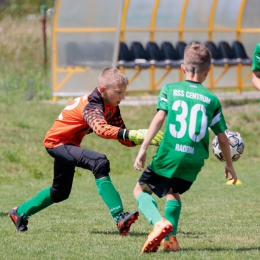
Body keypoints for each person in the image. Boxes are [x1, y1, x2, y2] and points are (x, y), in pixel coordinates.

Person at [8, 68, 163, 235]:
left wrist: (144, 138)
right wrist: (133, 134)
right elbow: (101, 129)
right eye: (119, 92)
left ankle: (19, 213)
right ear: (103, 90)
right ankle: (120, 217)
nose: (122, 97)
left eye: (124, 92)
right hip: (57, 143)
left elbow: (122, 136)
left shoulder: (111, 106)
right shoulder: (92, 106)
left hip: (69, 145)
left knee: (59, 192)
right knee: (99, 162)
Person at [133, 43, 238, 253]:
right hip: (193, 161)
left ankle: (158, 223)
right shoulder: (212, 99)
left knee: (139, 190)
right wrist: (229, 164)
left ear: (182, 68)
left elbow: (159, 118)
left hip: (169, 154)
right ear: (208, 71)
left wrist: (143, 148)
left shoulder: (170, 90)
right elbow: (223, 139)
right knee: (173, 192)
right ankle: (170, 241)